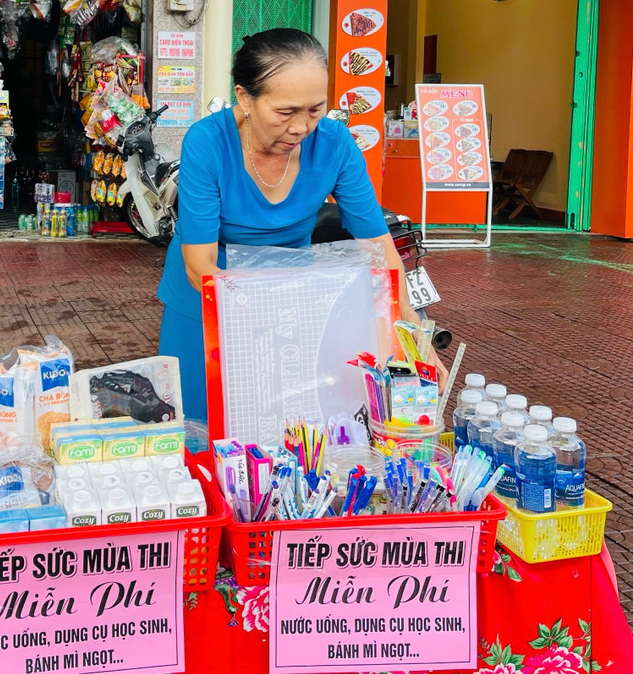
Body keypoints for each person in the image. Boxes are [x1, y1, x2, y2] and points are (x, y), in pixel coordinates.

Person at [157, 28, 445, 420]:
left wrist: (412, 331)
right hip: (207, 298)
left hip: (293, 298)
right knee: (201, 422)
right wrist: (250, 319)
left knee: (288, 422)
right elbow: (200, 263)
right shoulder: (207, 142)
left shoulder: (335, 143)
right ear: (245, 98)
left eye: (315, 109)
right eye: (285, 112)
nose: (301, 127)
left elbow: (377, 245)